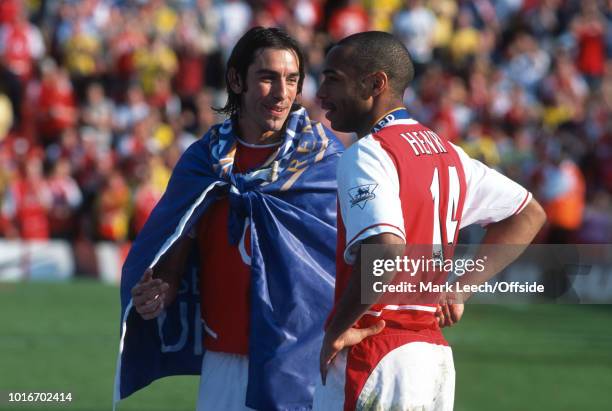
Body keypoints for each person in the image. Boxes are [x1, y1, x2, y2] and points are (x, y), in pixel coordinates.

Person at [313, 31, 546, 410]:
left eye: (333, 78)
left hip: (376, 350)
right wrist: (458, 289)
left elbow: (386, 248)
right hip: (432, 357)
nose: (321, 92)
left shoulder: (367, 154)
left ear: (376, 83)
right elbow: (529, 213)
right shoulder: (449, 153)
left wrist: (337, 329)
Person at [114, 27, 343, 411]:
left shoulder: (325, 161)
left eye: (292, 80)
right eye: (267, 77)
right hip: (223, 357)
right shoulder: (203, 161)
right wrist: (160, 290)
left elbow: (355, 250)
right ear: (236, 80)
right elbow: (177, 249)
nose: (282, 93)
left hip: (301, 357)